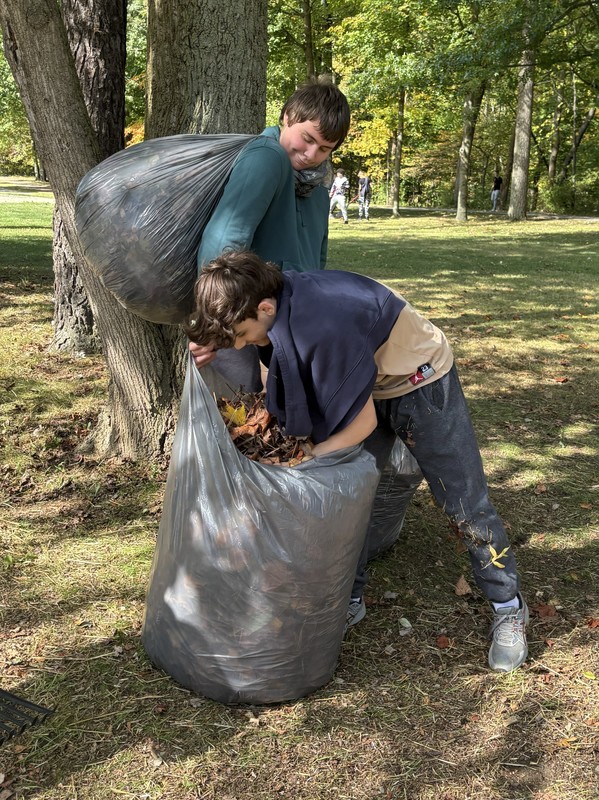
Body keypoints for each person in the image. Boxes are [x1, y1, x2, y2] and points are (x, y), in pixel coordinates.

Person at [185, 250, 529, 674]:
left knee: (464, 503)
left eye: (242, 334)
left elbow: (361, 422)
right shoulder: (275, 308)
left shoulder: (319, 328)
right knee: (351, 500)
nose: (241, 344)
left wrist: (309, 459)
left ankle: (508, 606)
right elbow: (270, 370)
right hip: (370, 380)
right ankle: (349, 600)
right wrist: (214, 342)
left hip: (420, 380)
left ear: (266, 307)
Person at [190, 77, 351, 391]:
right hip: (243, 318)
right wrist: (213, 322)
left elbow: (317, 261)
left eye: (324, 149)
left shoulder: (318, 191)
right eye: (307, 138)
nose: (311, 154)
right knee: (236, 419)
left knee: (281, 423)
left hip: (293, 326)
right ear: (287, 117)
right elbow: (225, 238)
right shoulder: (268, 156)